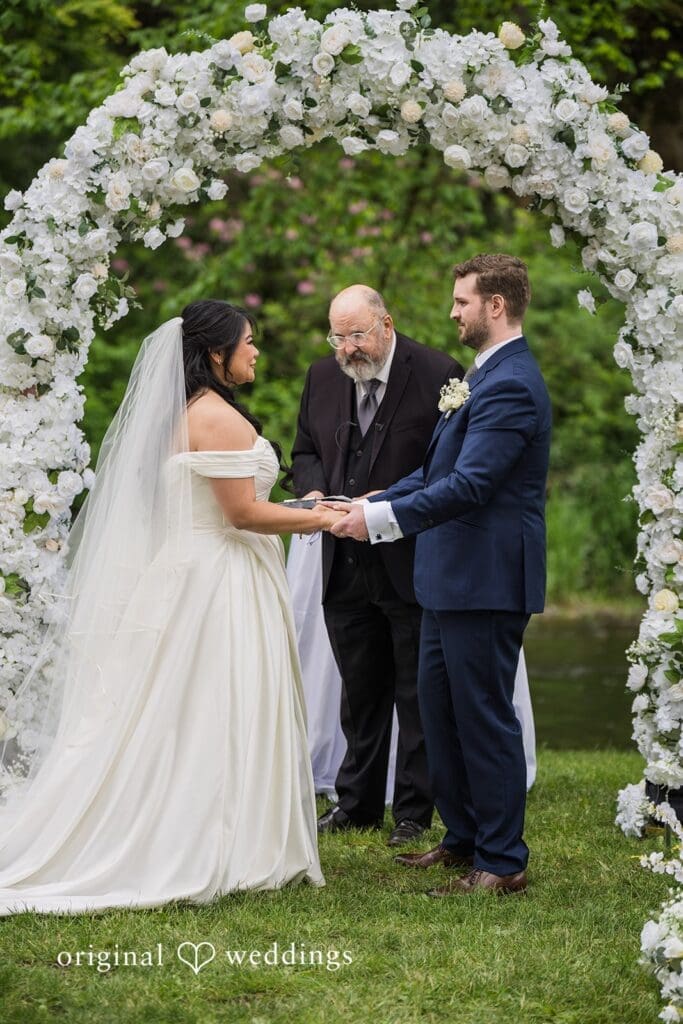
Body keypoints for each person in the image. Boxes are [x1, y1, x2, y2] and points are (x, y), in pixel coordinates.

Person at [0, 300, 345, 916]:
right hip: (220, 577)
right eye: (247, 342)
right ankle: (214, 839)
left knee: (179, 708)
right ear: (216, 355)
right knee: (215, 705)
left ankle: (215, 825)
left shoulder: (186, 412)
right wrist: (319, 518)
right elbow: (242, 514)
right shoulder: (218, 418)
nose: (256, 351)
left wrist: (306, 504)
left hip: (194, 567)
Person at [331, 256, 551, 894]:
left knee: (482, 716)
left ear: (496, 307)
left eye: (462, 302)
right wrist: (367, 503)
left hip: (484, 580)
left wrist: (378, 524)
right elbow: (433, 473)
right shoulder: (481, 378)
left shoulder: (511, 383)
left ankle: (503, 860)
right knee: (439, 711)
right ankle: (462, 838)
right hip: (445, 579)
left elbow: (472, 486)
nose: (452, 312)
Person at [291, 285, 463, 846]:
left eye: (357, 334)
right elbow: (304, 451)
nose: (348, 348)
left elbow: (447, 465)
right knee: (358, 690)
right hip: (341, 560)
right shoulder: (321, 377)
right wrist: (315, 491)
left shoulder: (440, 372)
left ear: (386, 324)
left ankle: (413, 812)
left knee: (416, 692)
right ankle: (356, 803)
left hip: (411, 558)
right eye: (338, 336)